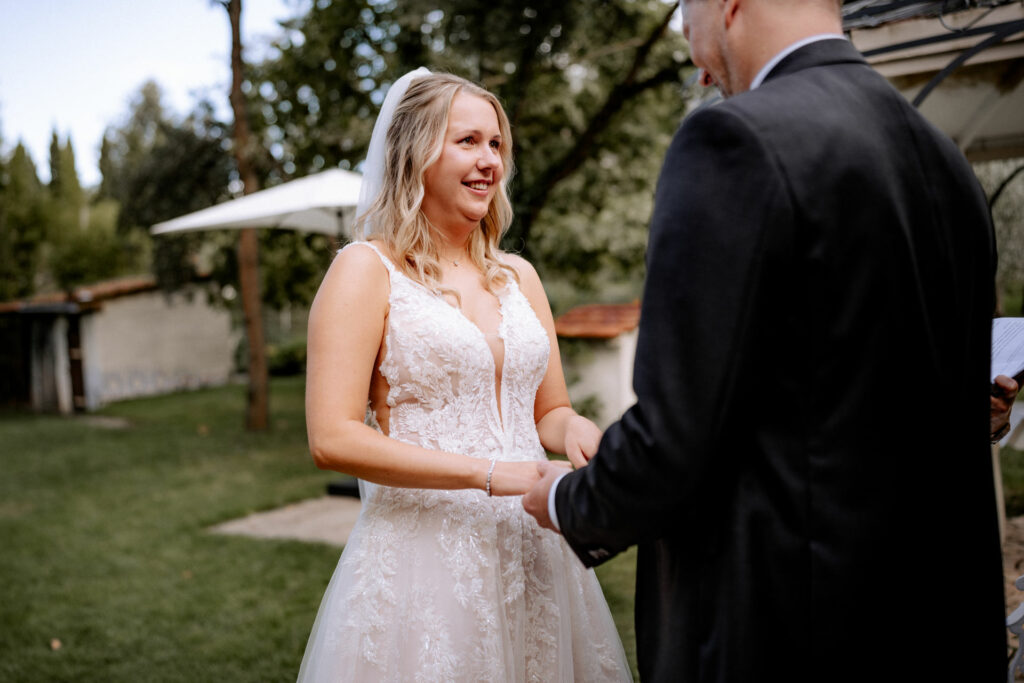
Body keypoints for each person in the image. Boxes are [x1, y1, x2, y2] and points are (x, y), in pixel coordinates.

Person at [523, 0, 1006, 680]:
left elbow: (677, 429)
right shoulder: (943, 160)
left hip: (790, 628)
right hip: (935, 623)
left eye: (689, 26)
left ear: (727, 6)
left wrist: (567, 499)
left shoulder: (735, 139)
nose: (700, 71)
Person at [297, 69, 631, 682]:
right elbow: (332, 438)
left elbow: (548, 411)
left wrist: (577, 430)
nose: (489, 161)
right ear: (416, 155)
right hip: (426, 562)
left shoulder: (518, 276)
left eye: (496, 144)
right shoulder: (365, 270)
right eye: (468, 141)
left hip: (536, 545)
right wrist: (491, 475)